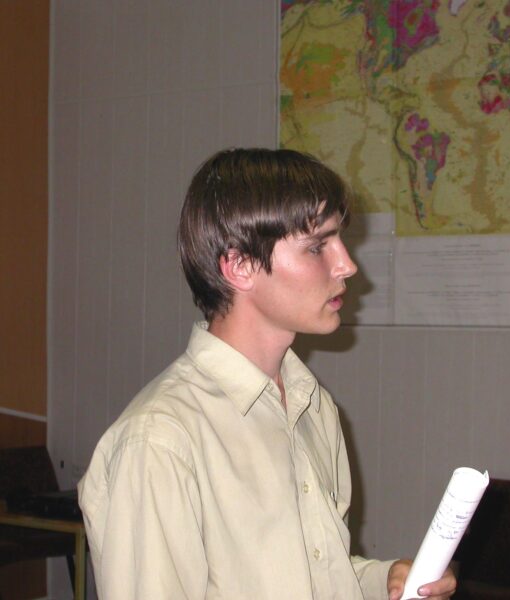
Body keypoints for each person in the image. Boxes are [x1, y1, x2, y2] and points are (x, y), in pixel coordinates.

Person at [78, 148, 456, 599]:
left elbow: (313, 575)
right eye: (317, 246)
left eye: (338, 240)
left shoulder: (311, 404)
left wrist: (387, 578)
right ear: (240, 266)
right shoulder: (160, 441)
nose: (347, 264)